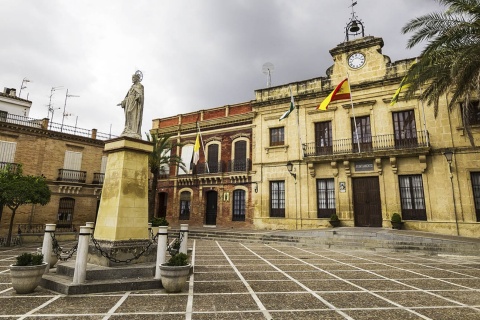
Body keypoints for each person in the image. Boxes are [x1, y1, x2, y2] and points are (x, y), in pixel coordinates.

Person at [117, 70, 144, 139]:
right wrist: (123, 102)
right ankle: (128, 129)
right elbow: (128, 96)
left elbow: (140, 95)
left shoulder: (140, 86)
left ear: (137, 78)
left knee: (131, 113)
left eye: (134, 78)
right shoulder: (132, 87)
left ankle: (133, 130)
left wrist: (139, 97)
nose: (132, 79)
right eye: (132, 78)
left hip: (134, 103)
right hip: (129, 102)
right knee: (127, 115)